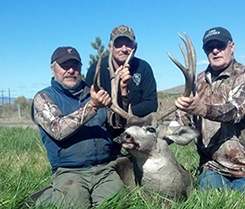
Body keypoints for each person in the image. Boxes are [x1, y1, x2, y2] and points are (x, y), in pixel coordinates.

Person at [27, 46, 123, 209]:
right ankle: (46, 198)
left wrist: (123, 94)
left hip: (104, 170)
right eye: (65, 66)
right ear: (53, 70)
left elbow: (116, 126)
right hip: (70, 171)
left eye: (75, 66)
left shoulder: (96, 93)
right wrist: (92, 106)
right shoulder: (44, 98)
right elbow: (58, 130)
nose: (71, 70)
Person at [174, 27, 245, 191]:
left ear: (231, 46)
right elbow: (182, 125)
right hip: (213, 167)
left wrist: (203, 109)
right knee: (210, 203)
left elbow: (235, 111)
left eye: (220, 46)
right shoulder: (196, 82)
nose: (215, 51)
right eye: (209, 47)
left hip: (243, 168)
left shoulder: (242, 76)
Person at [85, 25, 158, 126]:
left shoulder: (143, 67)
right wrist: (111, 114)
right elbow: (87, 101)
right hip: (105, 127)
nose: (124, 49)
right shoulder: (96, 69)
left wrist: (125, 112)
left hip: (135, 126)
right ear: (110, 48)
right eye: (118, 45)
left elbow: (151, 104)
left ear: (135, 47)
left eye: (128, 44)